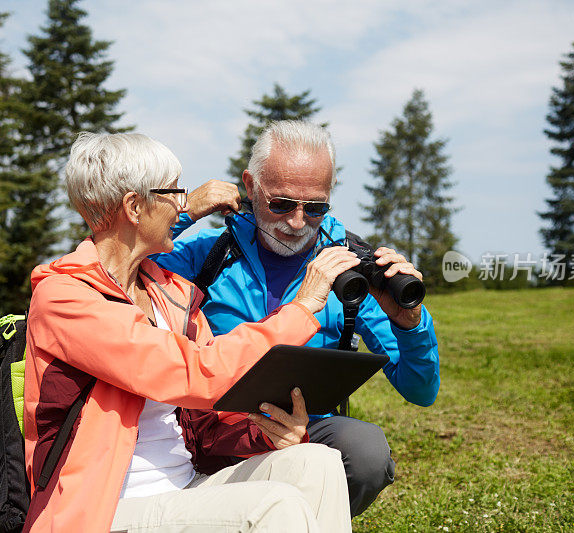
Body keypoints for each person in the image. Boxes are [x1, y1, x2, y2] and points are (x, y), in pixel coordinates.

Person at [23, 132, 358, 532]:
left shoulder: (173, 294)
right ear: (134, 206)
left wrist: (266, 434)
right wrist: (301, 310)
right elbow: (193, 371)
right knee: (275, 505)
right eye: (173, 194)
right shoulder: (65, 298)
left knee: (317, 463)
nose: (184, 206)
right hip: (104, 510)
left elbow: (208, 419)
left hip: (186, 487)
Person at [154, 120, 441, 517]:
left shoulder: (349, 273)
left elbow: (420, 391)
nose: (296, 223)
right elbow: (115, 272)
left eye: (316, 208)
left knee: (366, 454)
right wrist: (182, 211)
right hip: (216, 429)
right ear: (250, 186)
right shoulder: (205, 255)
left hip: (307, 430)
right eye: (281, 203)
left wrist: (409, 322)